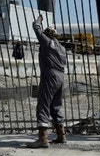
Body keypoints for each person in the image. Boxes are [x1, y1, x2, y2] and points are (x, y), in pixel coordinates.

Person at [26, 14, 68, 148]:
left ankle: (43, 138)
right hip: (61, 77)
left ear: (47, 35)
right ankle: (61, 135)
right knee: (56, 105)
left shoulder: (47, 42)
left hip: (50, 76)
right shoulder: (62, 48)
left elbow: (36, 27)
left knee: (43, 105)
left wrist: (39, 19)